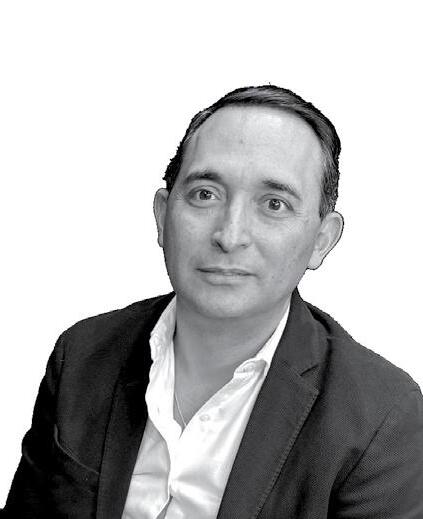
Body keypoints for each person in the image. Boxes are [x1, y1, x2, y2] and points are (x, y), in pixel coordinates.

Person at [2, 85, 423, 519]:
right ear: (162, 215)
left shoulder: (382, 418)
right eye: (205, 194)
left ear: (322, 240)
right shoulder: (83, 355)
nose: (230, 235)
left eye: (274, 204)